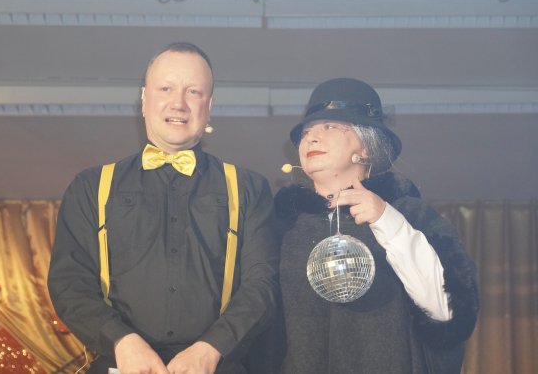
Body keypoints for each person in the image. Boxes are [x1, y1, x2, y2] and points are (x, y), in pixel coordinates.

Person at [47, 42, 279, 374]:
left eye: (194, 92)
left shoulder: (249, 188)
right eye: (166, 88)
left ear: (209, 106)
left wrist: (211, 348)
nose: (178, 103)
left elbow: (262, 286)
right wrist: (121, 341)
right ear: (144, 99)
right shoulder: (90, 187)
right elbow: (69, 283)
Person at [273, 78, 479, 373]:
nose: (312, 138)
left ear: (366, 147)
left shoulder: (410, 215)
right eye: (306, 132)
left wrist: (386, 220)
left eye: (329, 127)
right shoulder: (282, 225)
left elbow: (448, 311)